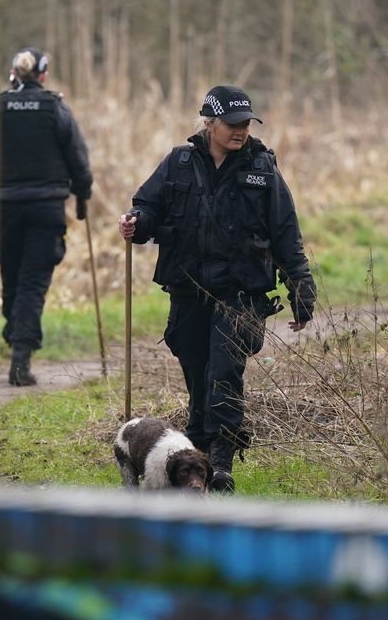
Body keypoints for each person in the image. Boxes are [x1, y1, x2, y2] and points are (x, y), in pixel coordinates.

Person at [118, 85, 316, 493]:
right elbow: (149, 206)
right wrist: (136, 221)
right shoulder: (179, 162)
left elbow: (286, 234)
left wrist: (300, 290)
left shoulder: (262, 168)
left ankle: (220, 463)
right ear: (210, 123)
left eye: (245, 123)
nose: (240, 131)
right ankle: (193, 457)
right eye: (232, 123)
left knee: (224, 372)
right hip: (188, 287)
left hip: (241, 290)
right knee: (196, 370)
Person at [0, 47, 93, 386]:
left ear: (13, 74)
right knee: (32, 285)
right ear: (42, 75)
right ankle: (20, 358)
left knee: (11, 279)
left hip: (3, 210)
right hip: (45, 210)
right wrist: (83, 193)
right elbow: (77, 156)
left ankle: (15, 331)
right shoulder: (56, 108)